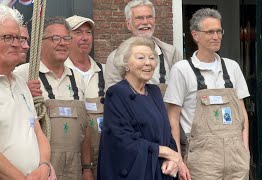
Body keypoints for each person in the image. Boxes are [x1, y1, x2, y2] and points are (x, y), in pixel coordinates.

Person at [164, 8, 250, 180]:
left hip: (236, 158)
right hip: (202, 161)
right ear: (195, 35)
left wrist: (245, 150)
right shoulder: (182, 70)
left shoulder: (232, 67)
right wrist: (179, 160)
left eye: (219, 31)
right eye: (210, 32)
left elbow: (242, 114)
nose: (216, 36)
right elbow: (172, 118)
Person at [15, 16, 93, 180]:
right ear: (40, 42)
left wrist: (87, 168)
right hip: (37, 169)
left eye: (66, 38)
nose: (63, 43)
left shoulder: (77, 78)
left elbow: (85, 127)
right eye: (55, 38)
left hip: (75, 170)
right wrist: (22, 96)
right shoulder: (22, 75)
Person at [98, 36, 183, 180]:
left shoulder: (155, 92)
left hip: (160, 171)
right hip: (133, 172)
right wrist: (165, 152)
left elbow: (166, 132)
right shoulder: (116, 93)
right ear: (126, 64)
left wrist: (172, 159)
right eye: (140, 58)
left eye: (151, 58)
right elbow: (121, 139)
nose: (148, 63)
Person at [0, 4, 52, 179]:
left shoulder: (21, 83)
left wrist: (45, 166)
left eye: (19, 38)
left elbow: (38, 132)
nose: (18, 44)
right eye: (8, 37)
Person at [104, 0, 181, 95]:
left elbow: (179, 92)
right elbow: (113, 97)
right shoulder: (115, 58)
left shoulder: (171, 53)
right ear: (128, 24)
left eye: (149, 17)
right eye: (139, 18)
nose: (145, 22)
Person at [66, 15, 105, 179]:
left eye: (88, 32)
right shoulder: (59, 73)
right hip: (71, 158)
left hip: (104, 153)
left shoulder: (105, 70)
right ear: (66, 38)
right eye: (78, 32)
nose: (85, 38)